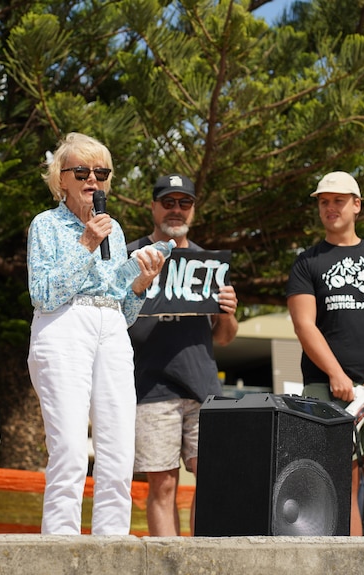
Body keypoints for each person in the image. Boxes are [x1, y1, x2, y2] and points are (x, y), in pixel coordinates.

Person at [26, 132, 166, 535]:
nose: (93, 180)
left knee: (119, 450)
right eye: (82, 171)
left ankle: (112, 548)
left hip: (110, 331)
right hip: (64, 325)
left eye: (101, 172)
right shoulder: (46, 225)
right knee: (69, 449)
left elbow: (123, 309)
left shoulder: (115, 230)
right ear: (61, 179)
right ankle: (61, 547)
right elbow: (45, 294)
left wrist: (140, 283)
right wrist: (87, 242)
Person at [287, 171, 364, 536]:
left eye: (338, 200)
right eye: (324, 201)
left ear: (356, 205)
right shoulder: (306, 262)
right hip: (327, 392)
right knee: (341, 487)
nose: (330, 207)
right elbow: (304, 324)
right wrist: (336, 374)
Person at [126, 174, 239, 536]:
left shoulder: (208, 263)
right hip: (150, 389)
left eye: (184, 203)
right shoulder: (132, 255)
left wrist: (228, 312)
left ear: (193, 209)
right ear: (153, 206)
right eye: (168, 202)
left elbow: (223, 338)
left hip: (204, 390)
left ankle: (207, 562)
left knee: (212, 482)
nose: (176, 210)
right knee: (162, 486)